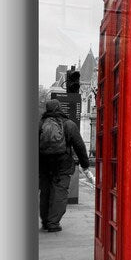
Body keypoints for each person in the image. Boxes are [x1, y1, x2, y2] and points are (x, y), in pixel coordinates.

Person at [38, 99, 90, 232]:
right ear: (60, 108)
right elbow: (79, 146)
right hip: (63, 164)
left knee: (45, 192)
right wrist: (85, 164)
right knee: (59, 192)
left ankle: (45, 221)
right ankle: (53, 223)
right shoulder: (69, 124)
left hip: (43, 164)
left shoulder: (40, 124)